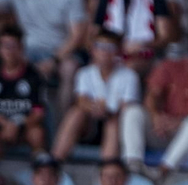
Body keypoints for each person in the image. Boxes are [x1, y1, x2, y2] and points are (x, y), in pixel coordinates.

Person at [119, 20, 188, 179]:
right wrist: (156, 116)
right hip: (163, 128)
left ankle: (163, 171)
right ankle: (133, 166)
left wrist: (179, 121)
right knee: (132, 111)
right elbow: (152, 95)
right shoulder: (171, 65)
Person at [52, 28, 141, 161]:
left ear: (118, 51)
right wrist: (95, 108)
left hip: (117, 126)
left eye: (109, 47)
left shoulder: (129, 75)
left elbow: (125, 108)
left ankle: (107, 168)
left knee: (113, 122)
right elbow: (81, 100)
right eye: (99, 46)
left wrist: (106, 109)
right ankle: (54, 160)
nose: (104, 52)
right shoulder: (85, 73)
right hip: (90, 125)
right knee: (76, 113)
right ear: (93, 50)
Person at [0, 26, 48, 154]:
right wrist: (5, 124)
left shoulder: (33, 76)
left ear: (21, 48)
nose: (9, 51)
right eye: (5, 46)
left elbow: (38, 113)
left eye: (13, 46)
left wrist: (16, 124)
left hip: (24, 127)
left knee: (37, 133)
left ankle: (40, 171)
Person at [7, 0, 86, 83]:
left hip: (60, 50)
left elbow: (77, 36)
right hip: (26, 50)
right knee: (8, 55)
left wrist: (54, 60)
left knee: (69, 68)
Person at [92, 0, 175, 63]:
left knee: (129, 69)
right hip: (111, 54)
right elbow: (94, 34)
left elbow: (165, 37)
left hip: (144, 56)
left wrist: (142, 45)